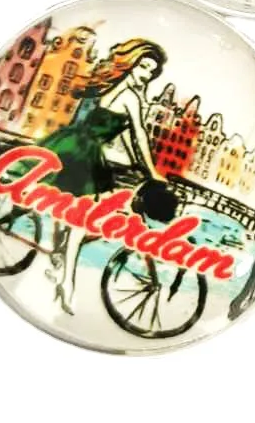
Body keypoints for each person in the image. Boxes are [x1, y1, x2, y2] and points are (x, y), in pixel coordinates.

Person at [39, 38, 167, 313]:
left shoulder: (111, 88)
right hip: (86, 153)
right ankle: (66, 283)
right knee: (81, 222)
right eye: (143, 67)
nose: (147, 75)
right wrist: (153, 172)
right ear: (130, 65)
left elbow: (125, 138)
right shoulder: (130, 97)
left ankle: (58, 259)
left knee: (77, 211)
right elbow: (140, 137)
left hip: (74, 145)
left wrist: (138, 166)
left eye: (151, 71)